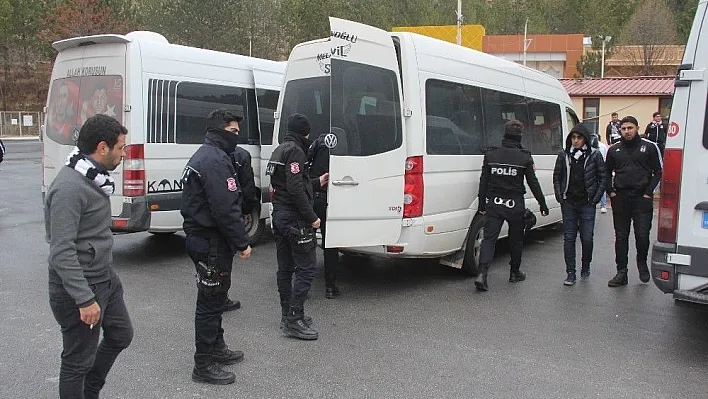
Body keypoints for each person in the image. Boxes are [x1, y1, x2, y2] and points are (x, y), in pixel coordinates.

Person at [44, 114, 133, 399]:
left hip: (104, 278)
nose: (124, 154)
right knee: (76, 361)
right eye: (121, 148)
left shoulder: (94, 178)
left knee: (121, 334)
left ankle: (89, 390)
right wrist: (84, 299)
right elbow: (61, 250)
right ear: (103, 147)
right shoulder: (70, 188)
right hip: (79, 289)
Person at [180, 109, 252, 385]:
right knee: (210, 303)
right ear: (219, 130)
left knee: (216, 298)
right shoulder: (214, 160)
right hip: (210, 241)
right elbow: (225, 209)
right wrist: (242, 243)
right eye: (233, 131)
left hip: (207, 240)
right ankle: (203, 363)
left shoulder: (209, 155)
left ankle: (216, 347)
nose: (237, 136)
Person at [266, 113, 328, 340]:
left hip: (280, 215)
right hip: (294, 218)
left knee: (285, 268)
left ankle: (287, 314)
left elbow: (289, 184)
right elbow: (294, 190)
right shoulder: (296, 151)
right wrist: (312, 217)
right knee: (307, 268)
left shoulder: (280, 149)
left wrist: (316, 182)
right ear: (306, 132)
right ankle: (294, 318)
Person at [475, 120, 549, 292]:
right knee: (516, 239)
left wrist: (481, 203)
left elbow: (483, 181)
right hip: (515, 204)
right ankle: (514, 272)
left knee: (489, 239)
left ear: (504, 133)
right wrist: (542, 203)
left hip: (494, 202)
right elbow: (533, 182)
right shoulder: (524, 157)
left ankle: (482, 274)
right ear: (520, 135)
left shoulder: (491, 155)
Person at [605, 116, 663, 287]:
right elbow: (606, 172)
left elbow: (658, 172)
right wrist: (611, 192)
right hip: (621, 198)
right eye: (623, 129)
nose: (626, 131)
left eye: (630, 128)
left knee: (642, 235)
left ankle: (641, 262)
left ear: (637, 128)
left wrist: (648, 192)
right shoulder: (614, 150)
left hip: (641, 198)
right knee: (621, 237)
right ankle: (621, 272)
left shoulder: (649, 147)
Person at [553, 123, 608, 286]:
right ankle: (570, 273)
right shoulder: (564, 155)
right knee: (569, 238)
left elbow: (603, 177)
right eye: (573, 138)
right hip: (569, 202)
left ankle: (586, 265)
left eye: (579, 138)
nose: (576, 141)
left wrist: (596, 198)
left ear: (585, 139)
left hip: (587, 203)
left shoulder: (594, 155)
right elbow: (557, 176)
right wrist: (559, 196)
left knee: (587, 238)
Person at [221, 145, 260, 312]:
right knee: (225, 256)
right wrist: (246, 210)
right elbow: (248, 186)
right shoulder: (241, 154)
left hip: (213, 214)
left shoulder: (210, 153)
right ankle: (221, 297)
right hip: (233, 209)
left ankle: (214, 294)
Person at [308, 132, 340, 299]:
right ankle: (330, 287)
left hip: (314, 198)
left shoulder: (317, 142)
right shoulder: (344, 143)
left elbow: (307, 163)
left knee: (307, 243)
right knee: (331, 244)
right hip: (332, 199)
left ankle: (303, 286)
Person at [591, 133, 609, 213]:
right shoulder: (604, 146)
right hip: (602, 166)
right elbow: (605, 156)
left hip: (594, 167)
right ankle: (603, 205)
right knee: (601, 185)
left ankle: (599, 203)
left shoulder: (593, 147)